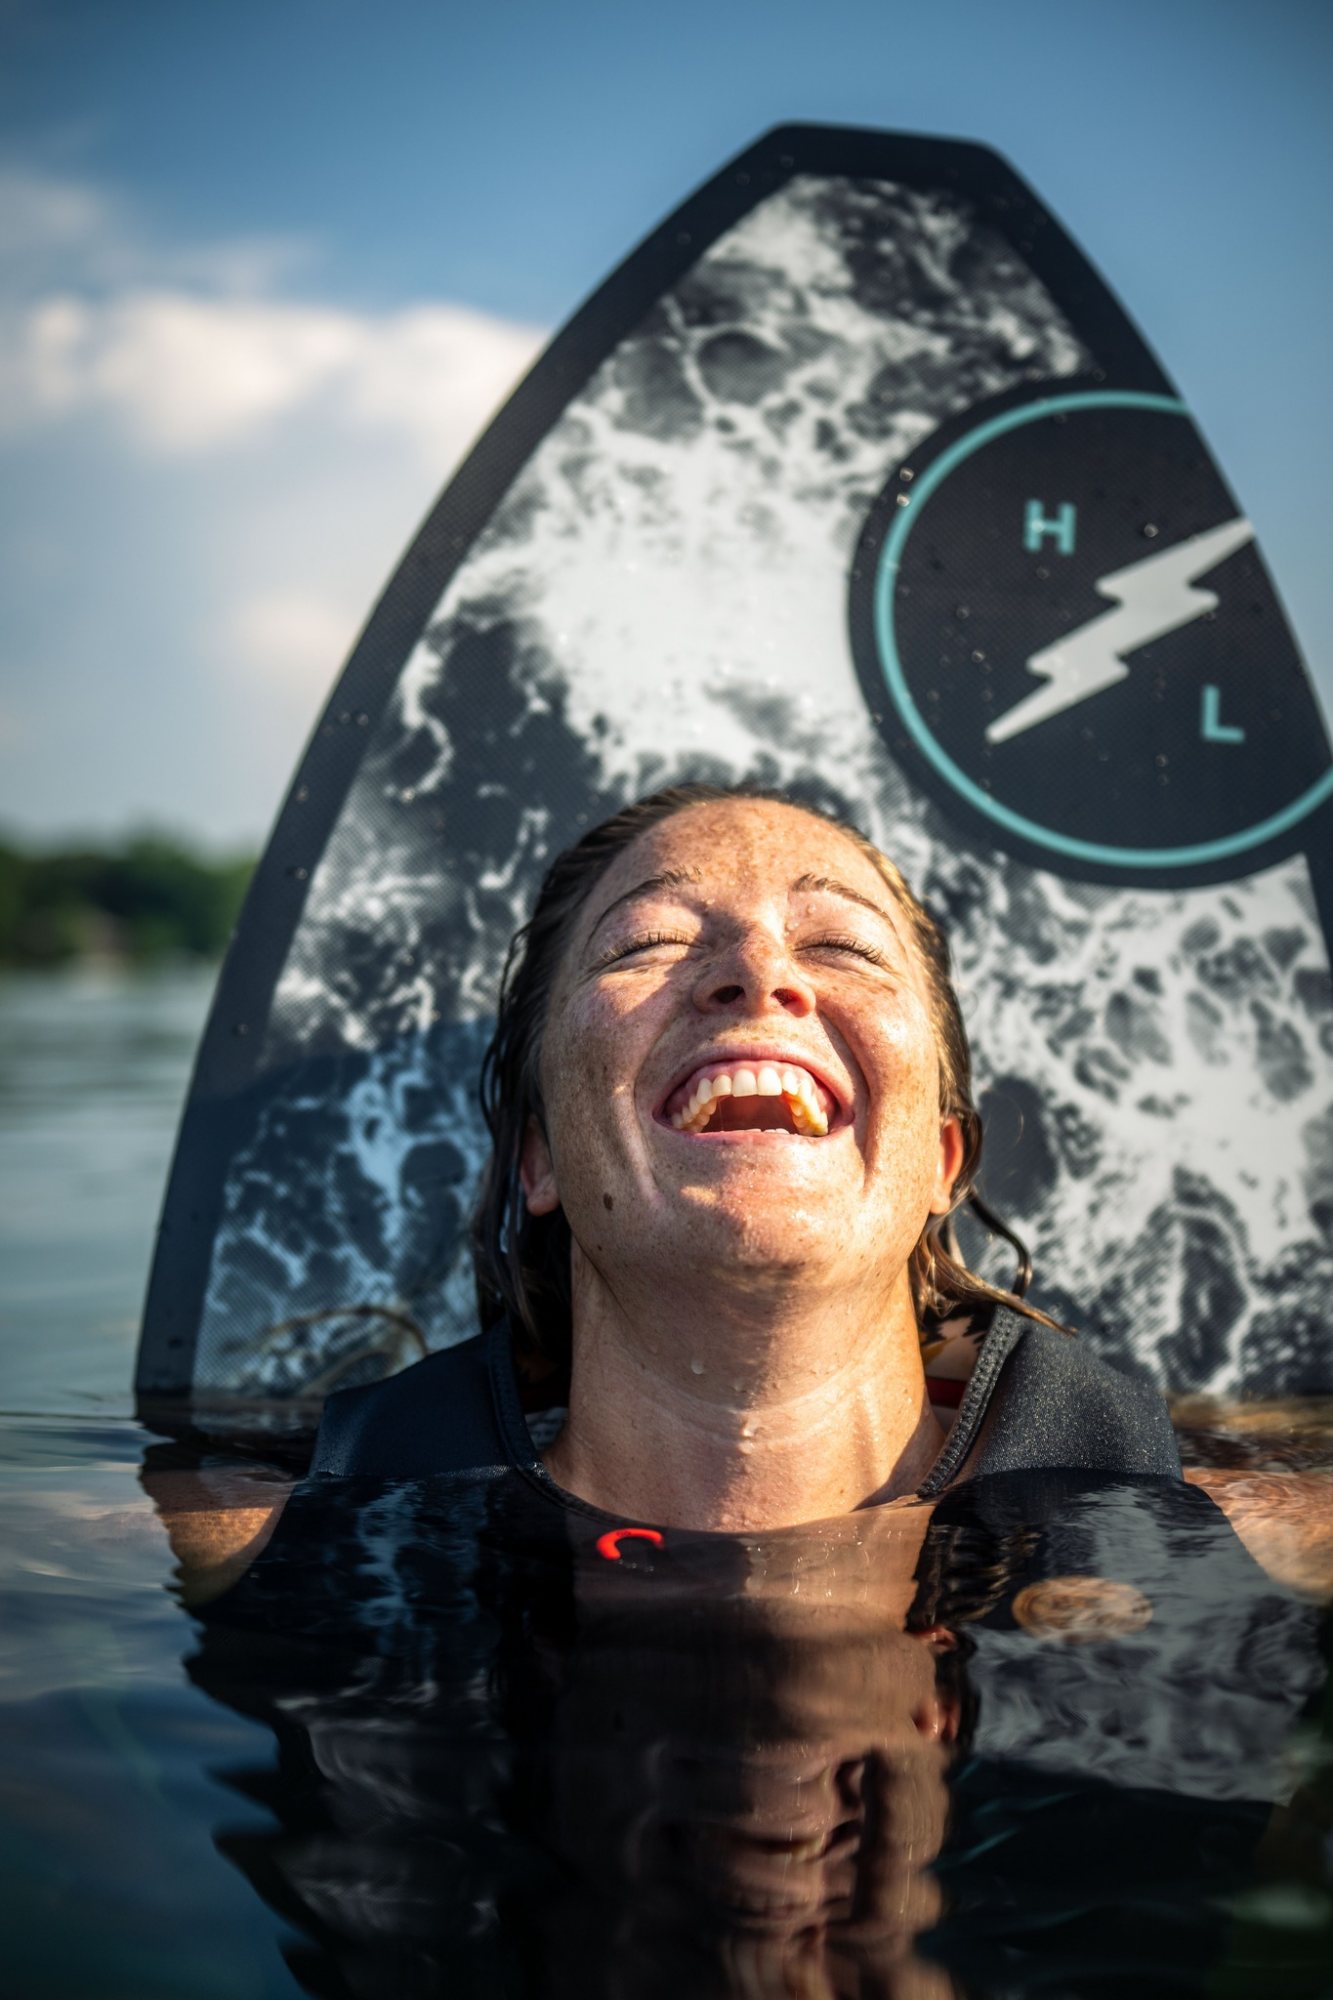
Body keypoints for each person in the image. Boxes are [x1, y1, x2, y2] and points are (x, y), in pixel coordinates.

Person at [311, 784, 1183, 1523]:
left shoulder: (1280, 1536)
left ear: (938, 1162)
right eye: (648, 941)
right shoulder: (244, 1542)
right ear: (538, 1159)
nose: (759, 974)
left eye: (840, 945)